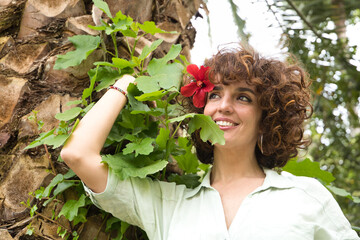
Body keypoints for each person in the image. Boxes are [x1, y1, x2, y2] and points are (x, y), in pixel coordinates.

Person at [60, 44, 359, 240]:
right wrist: (128, 83)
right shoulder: (168, 204)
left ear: (266, 117)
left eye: (243, 97)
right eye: (214, 94)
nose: (223, 106)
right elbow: (78, 153)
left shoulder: (305, 197)